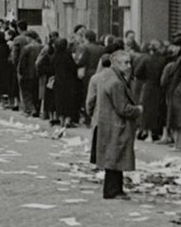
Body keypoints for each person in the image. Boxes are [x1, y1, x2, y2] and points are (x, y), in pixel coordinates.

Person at [88, 50, 142, 200]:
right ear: (116, 63)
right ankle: (112, 190)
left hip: (107, 122)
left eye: (129, 62)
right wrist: (137, 110)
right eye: (125, 62)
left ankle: (116, 189)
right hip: (116, 124)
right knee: (115, 158)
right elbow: (122, 108)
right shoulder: (116, 82)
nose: (129, 65)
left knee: (113, 157)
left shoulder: (105, 76)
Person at [49, 38, 81, 127]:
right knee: (69, 101)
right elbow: (73, 68)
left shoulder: (53, 56)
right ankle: (67, 120)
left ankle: (61, 119)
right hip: (69, 81)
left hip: (58, 81)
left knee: (59, 101)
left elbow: (51, 69)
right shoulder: (68, 55)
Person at [17, 31, 42, 117]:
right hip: (37, 73)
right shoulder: (41, 47)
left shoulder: (26, 48)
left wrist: (20, 71)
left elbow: (22, 62)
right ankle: (36, 108)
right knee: (35, 92)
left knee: (27, 92)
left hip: (27, 73)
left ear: (29, 38)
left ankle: (31, 109)